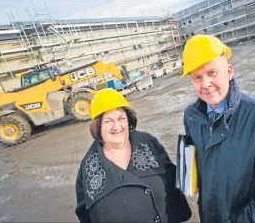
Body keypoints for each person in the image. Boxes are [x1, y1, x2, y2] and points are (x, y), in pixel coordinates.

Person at [180, 34, 255, 223]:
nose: (205, 84)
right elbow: (191, 154)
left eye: (212, 73)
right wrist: (186, 175)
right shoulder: (191, 116)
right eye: (197, 77)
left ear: (229, 72)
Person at [75, 88, 191, 223]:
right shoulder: (88, 167)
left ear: (128, 121)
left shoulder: (148, 143)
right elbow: (84, 213)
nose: (116, 126)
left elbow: (172, 177)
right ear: (98, 126)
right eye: (108, 121)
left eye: (121, 118)